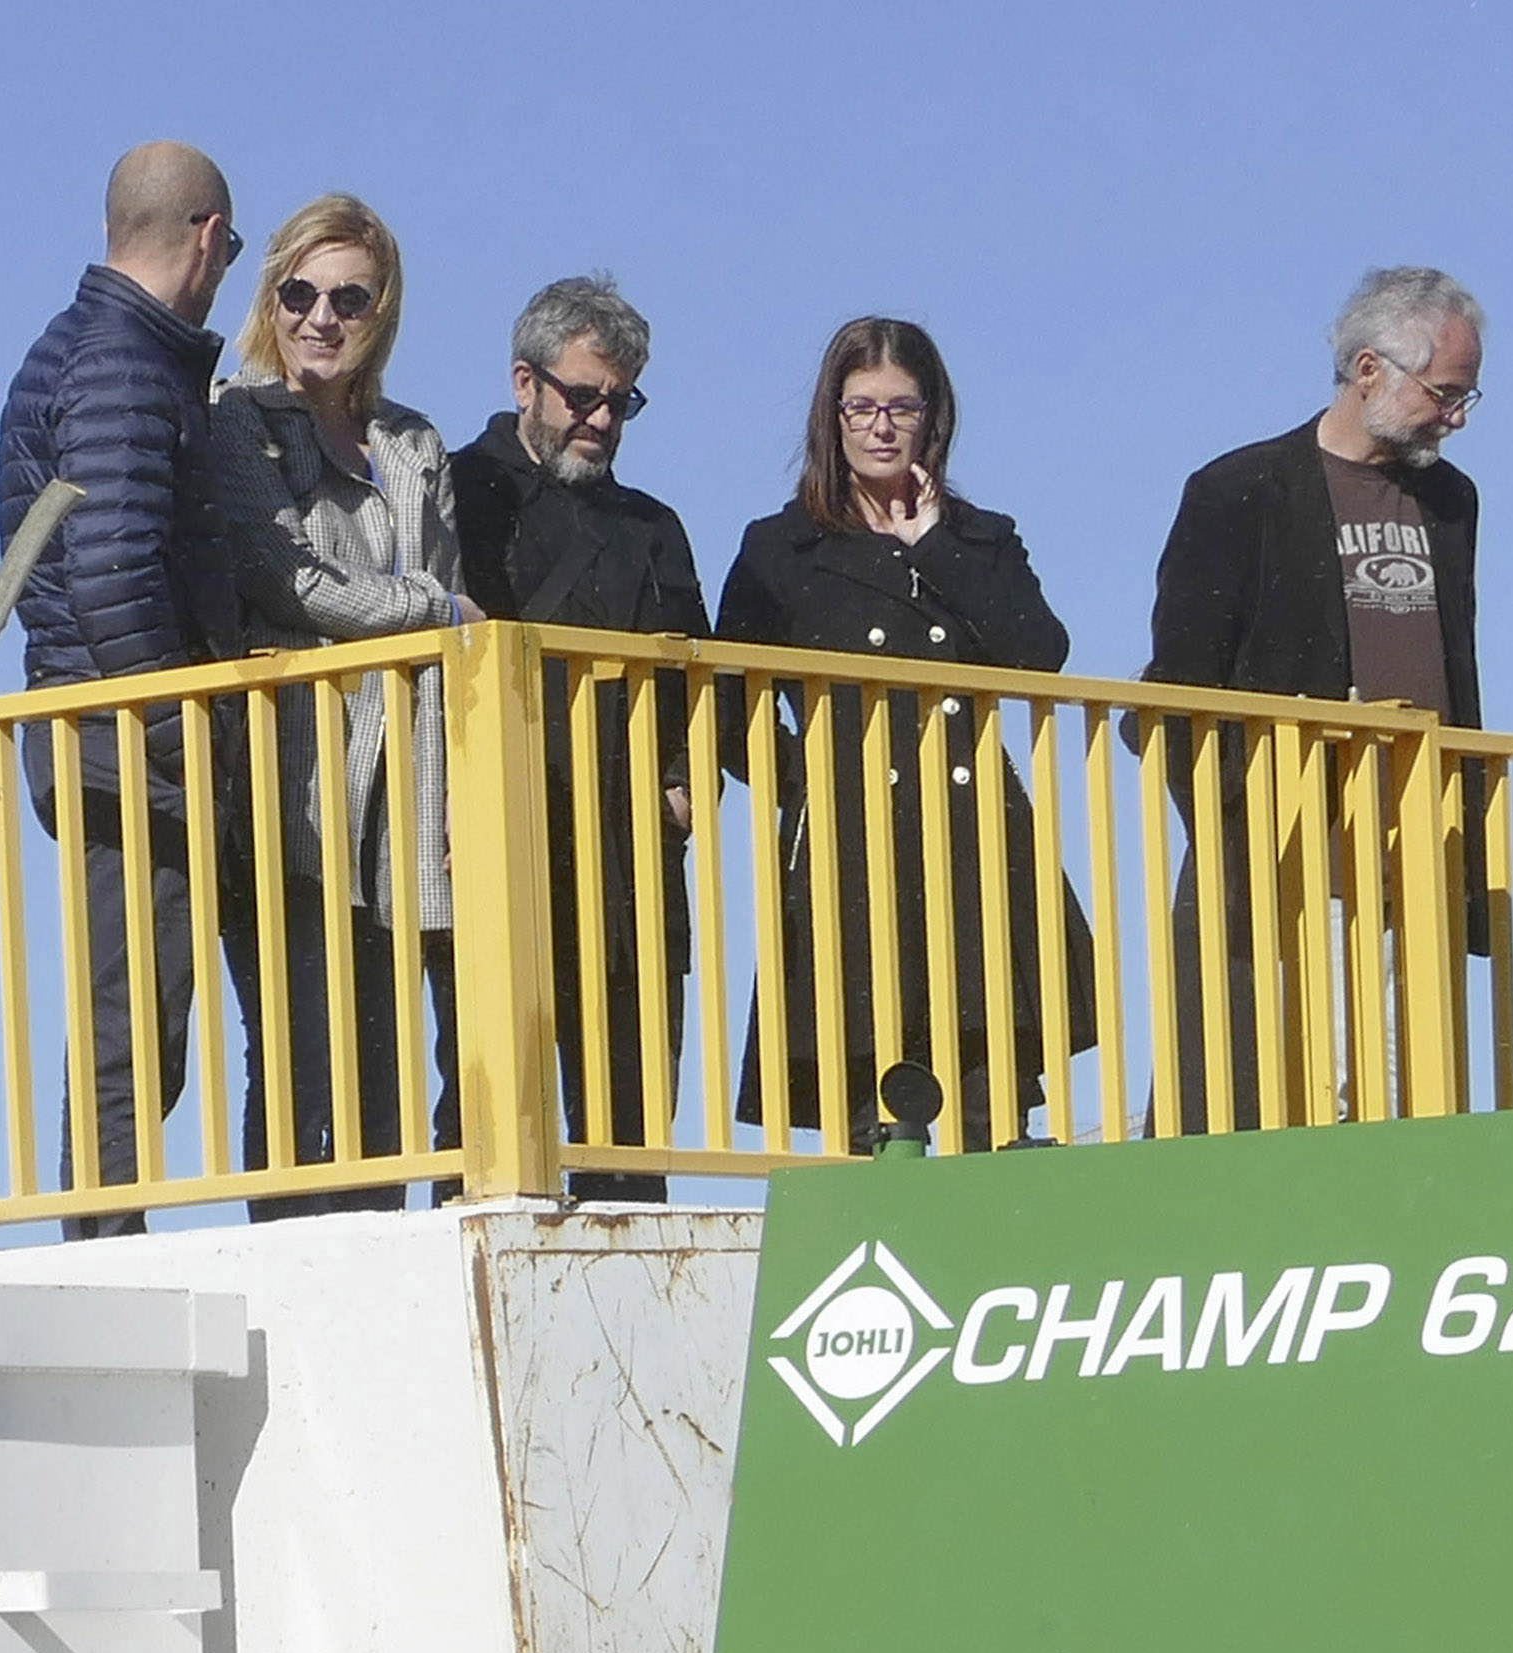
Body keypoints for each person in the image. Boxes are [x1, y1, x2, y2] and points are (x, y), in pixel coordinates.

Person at [714, 316, 1092, 1145]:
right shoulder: (783, 548)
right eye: (860, 409)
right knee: (870, 1109)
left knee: (992, 1101)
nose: (881, 428)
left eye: (901, 408)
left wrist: (933, 548)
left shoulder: (980, 538)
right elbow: (725, 704)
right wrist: (805, 783)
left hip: (975, 844)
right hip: (850, 856)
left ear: (933, 417)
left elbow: (1039, 653)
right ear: (832, 417)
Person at [1143, 265, 1488, 1129]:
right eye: (1443, 392)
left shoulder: (1449, 500)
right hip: (1283, 855)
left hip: (1418, 855)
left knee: (1412, 1107)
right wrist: (1240, 830)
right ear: (1369, 369)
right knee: (1282, 1098)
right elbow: (1176, 690)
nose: (1453, 417)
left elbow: (1457, 663)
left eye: (1466, 397)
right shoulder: (1237, 491)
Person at [0, 141, 255, 1233]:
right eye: (233, 250)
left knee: (137, 1014)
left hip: (102, 728)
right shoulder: (123, 364)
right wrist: (177, 722)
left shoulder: (91, 348)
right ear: (206, 238)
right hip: (122, 737)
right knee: (133, 1020)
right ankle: (106, 1244)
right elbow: (106, 568)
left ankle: (109, 1231)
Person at [203, 192, 468, 1214]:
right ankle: (289, 1275)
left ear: (381, 311)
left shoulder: (414, 444)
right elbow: (292, 583)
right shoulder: (240, 423)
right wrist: (436, 605)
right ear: (271, 299)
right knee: (299, 1053)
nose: (321, 316)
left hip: (407, 793)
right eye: (299, 292)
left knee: (388, 1059)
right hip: (293, 790)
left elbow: (444, 659)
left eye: (347, 297)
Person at [447, 273, 709, 1201]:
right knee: (481, 1107)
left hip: (630, 850)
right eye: (584, 396)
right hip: (495, 839)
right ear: (526, 383)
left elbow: (695, 676)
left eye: (622, 400)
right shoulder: (456, 493)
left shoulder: (653, 528)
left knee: (631, 1127)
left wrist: (683, 777)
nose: (602, 419)